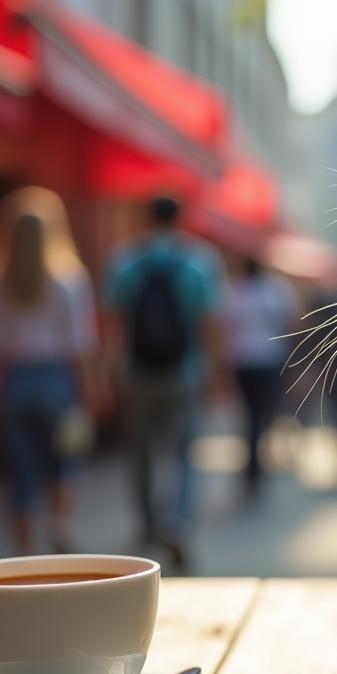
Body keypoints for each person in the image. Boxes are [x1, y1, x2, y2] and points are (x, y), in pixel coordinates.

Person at [0, 187, 100, 554]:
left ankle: (24, 549)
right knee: (64, 458)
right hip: (56, 377)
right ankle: (60, 525)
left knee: (21, 469)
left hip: (14, 378)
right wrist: (89, 387)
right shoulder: (69, 278)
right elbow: (82, 341)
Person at [103, 196, 226, 554]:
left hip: (137, 372)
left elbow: (111, 322)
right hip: (185, 372)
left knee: (141, 451)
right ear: (180, 219)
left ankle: (147, 524)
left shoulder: (124, 259)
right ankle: (178, 521)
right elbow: (210, 323)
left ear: (147, 217)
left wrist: (105, 371)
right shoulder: (200, 260)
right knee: (185, 451)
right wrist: (217, 372)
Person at [223, 255, 299, 498]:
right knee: (263, 412)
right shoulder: (275, 289)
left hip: (241, 360)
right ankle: (256, 465)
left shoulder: (233, 291)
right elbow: (294, 319)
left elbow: (222, 324)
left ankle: (252, 464)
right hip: (269, 358)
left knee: (250, 414)